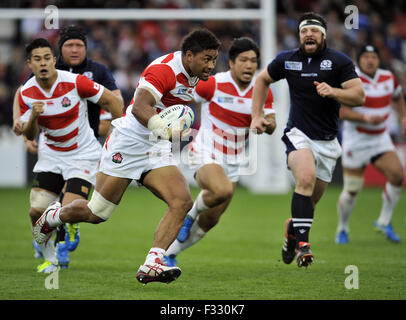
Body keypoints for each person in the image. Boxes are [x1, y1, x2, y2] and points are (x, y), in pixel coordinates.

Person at [33, 29, 221, 284]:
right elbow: (140, 106)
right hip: (128, 142)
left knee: (182, 201)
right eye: (207, 59)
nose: (211, 65)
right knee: (97, 213)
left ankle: (152, 263)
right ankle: (54, 216)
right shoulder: (164, 69)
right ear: (189, 56)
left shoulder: (197, 74)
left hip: (155, 147)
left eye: (214, 59)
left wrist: (172, 129)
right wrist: (164, 127)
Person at [250, 12, 365, 267]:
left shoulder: (339, 62)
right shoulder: (288, 60)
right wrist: (256, 115)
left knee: (308, 205)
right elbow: (262, 79)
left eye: (313, 30)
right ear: (299, 35)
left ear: (323, 35)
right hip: (297, 134)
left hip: (327, 142)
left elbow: (358, 96)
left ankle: (292, 232)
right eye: (304, 31)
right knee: (305, 179)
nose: (308, 34)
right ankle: (304, 247)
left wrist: (333, 91)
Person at [12, 25, 124, 270]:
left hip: (82, 154)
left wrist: (119, 134)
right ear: (29, 63)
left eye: (46, 58)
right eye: (36, 59)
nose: (43, 63)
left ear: (54, 60)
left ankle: (57, 256)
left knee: (66, 208)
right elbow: (29, 131)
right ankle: (48, 250)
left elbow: (113, 100)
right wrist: (31, 121)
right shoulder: (27, 93)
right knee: (36, 212)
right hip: (51, 154)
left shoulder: (78, 81)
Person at [163, 37, 275, 266]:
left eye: (253, 61)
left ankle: (169, 255)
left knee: (211, 219)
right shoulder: (213, 84)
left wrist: (264, 123)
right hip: (205, 151)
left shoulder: (261, 90)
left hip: (234, 160)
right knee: (221, 190)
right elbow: (182, 95)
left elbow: (271, 122)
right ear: (232, 63)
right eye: (243, 60)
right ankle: (190, 215)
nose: (249, 65)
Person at [336, 44, 406, 244]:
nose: (370, 60)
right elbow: (339, 111)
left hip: (380, 138)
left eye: (373, 56)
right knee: (352, 189)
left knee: (397, 175)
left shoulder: (388, 77)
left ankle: (384, 221)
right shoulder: (351, 80)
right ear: (358, 60)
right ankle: (342, 228)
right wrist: (365, 118)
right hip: (356, 139)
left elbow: (398, 97)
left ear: (378, 59)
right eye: (365, 56)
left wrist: (403, 117)